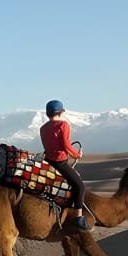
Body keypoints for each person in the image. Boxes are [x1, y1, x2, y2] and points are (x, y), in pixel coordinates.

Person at [40, 99, 90, 231]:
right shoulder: (63, 125)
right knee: (79, 186)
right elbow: (66, 145)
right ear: (60, 112)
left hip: (48, 162)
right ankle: (79, 218)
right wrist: (77, 155)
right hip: (60, 163)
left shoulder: (43, 128)